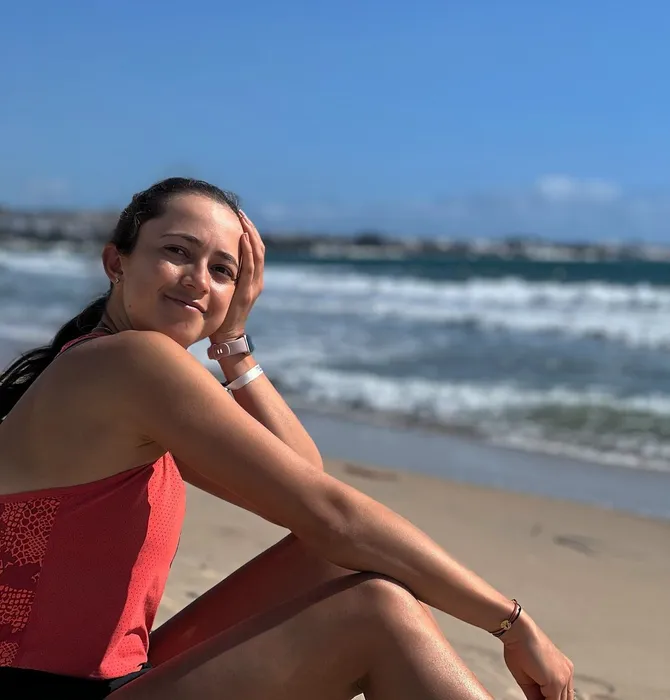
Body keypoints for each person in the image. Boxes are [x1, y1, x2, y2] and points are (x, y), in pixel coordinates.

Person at [0, 177, 574, 699]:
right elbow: (330, 512)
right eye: (176, 251)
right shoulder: (128, 363)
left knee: (334, 562)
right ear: (116, 262)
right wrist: (511, 622)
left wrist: (233, 342)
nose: (198, 279)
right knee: (374, 610)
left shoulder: (113, 371)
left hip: (122, 677)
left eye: (223, 271)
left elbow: (302, 481)